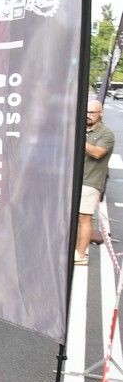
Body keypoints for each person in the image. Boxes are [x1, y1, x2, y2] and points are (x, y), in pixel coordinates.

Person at [77, 99, 114, 265]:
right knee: (73, 217)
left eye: (92, 112)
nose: (88, 115)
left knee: (84, 217)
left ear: (101, 113)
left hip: (90, 181)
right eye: (86, 112)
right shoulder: (80, 128)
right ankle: (74, 249)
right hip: (75, 179)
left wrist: (78, 138)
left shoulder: (106, 134)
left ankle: (81, 254)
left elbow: (98, 153)